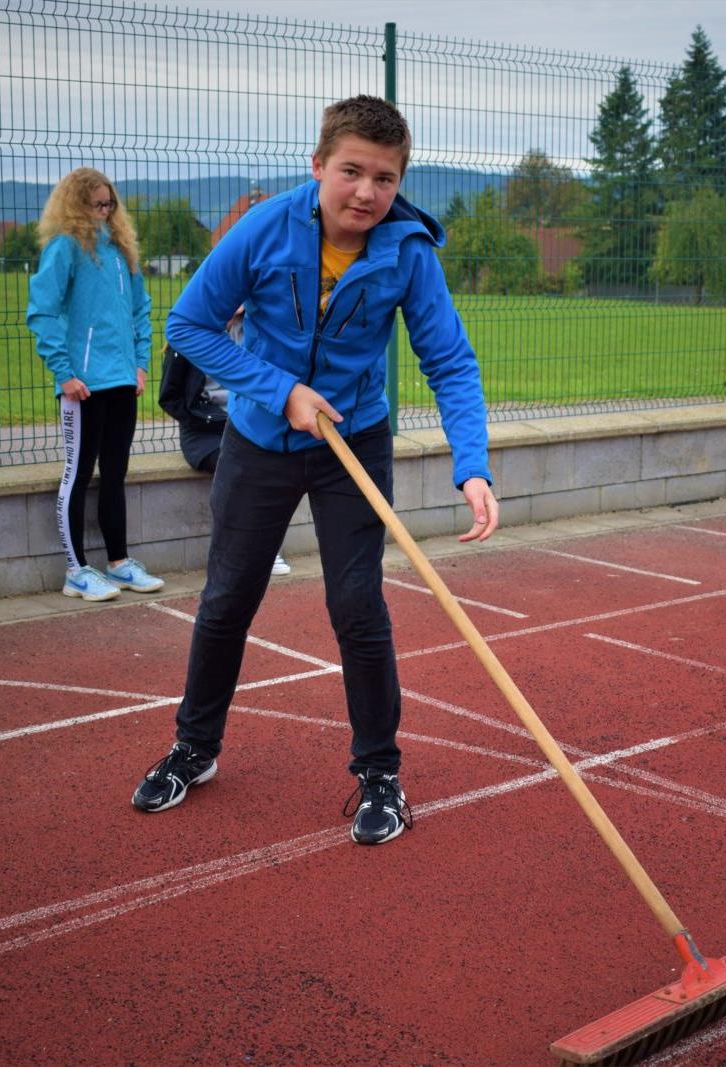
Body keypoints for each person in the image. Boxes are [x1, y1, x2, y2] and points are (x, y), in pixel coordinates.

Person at [132, 95, 499, 845]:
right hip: (262, 440)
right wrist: (280, 390)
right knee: (229, 596)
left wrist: (472, 465)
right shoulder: (264, 229)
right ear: (318, 166)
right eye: (352, 171)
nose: (367, 192)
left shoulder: (409, 251)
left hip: (354, 441)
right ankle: (194, 748)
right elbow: (188, 326)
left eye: (386, 177)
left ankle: (380, 774)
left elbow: (450, 360)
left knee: (358, 604)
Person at [27, 167, 164, 603]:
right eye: (96, 205)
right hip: (83, 386)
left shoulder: (123, 251)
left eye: (110, 204)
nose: (105, 212)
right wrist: (64, 373)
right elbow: (42, 312)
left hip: (123, 380)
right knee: (79, 474)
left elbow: (141, 310)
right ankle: (76, 571)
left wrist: (139, 364)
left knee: (115, 475)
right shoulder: (63, 248)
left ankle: (119, 564)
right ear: (76, 205)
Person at [157, 312, 290, 577]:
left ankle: (263, 546)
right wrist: (207, 418)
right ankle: (246, 550)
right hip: (204, 432)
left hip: (248, 424)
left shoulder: (257, 329)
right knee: (238, 466)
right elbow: (169, 397)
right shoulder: (191, 335)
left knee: (276, 464)